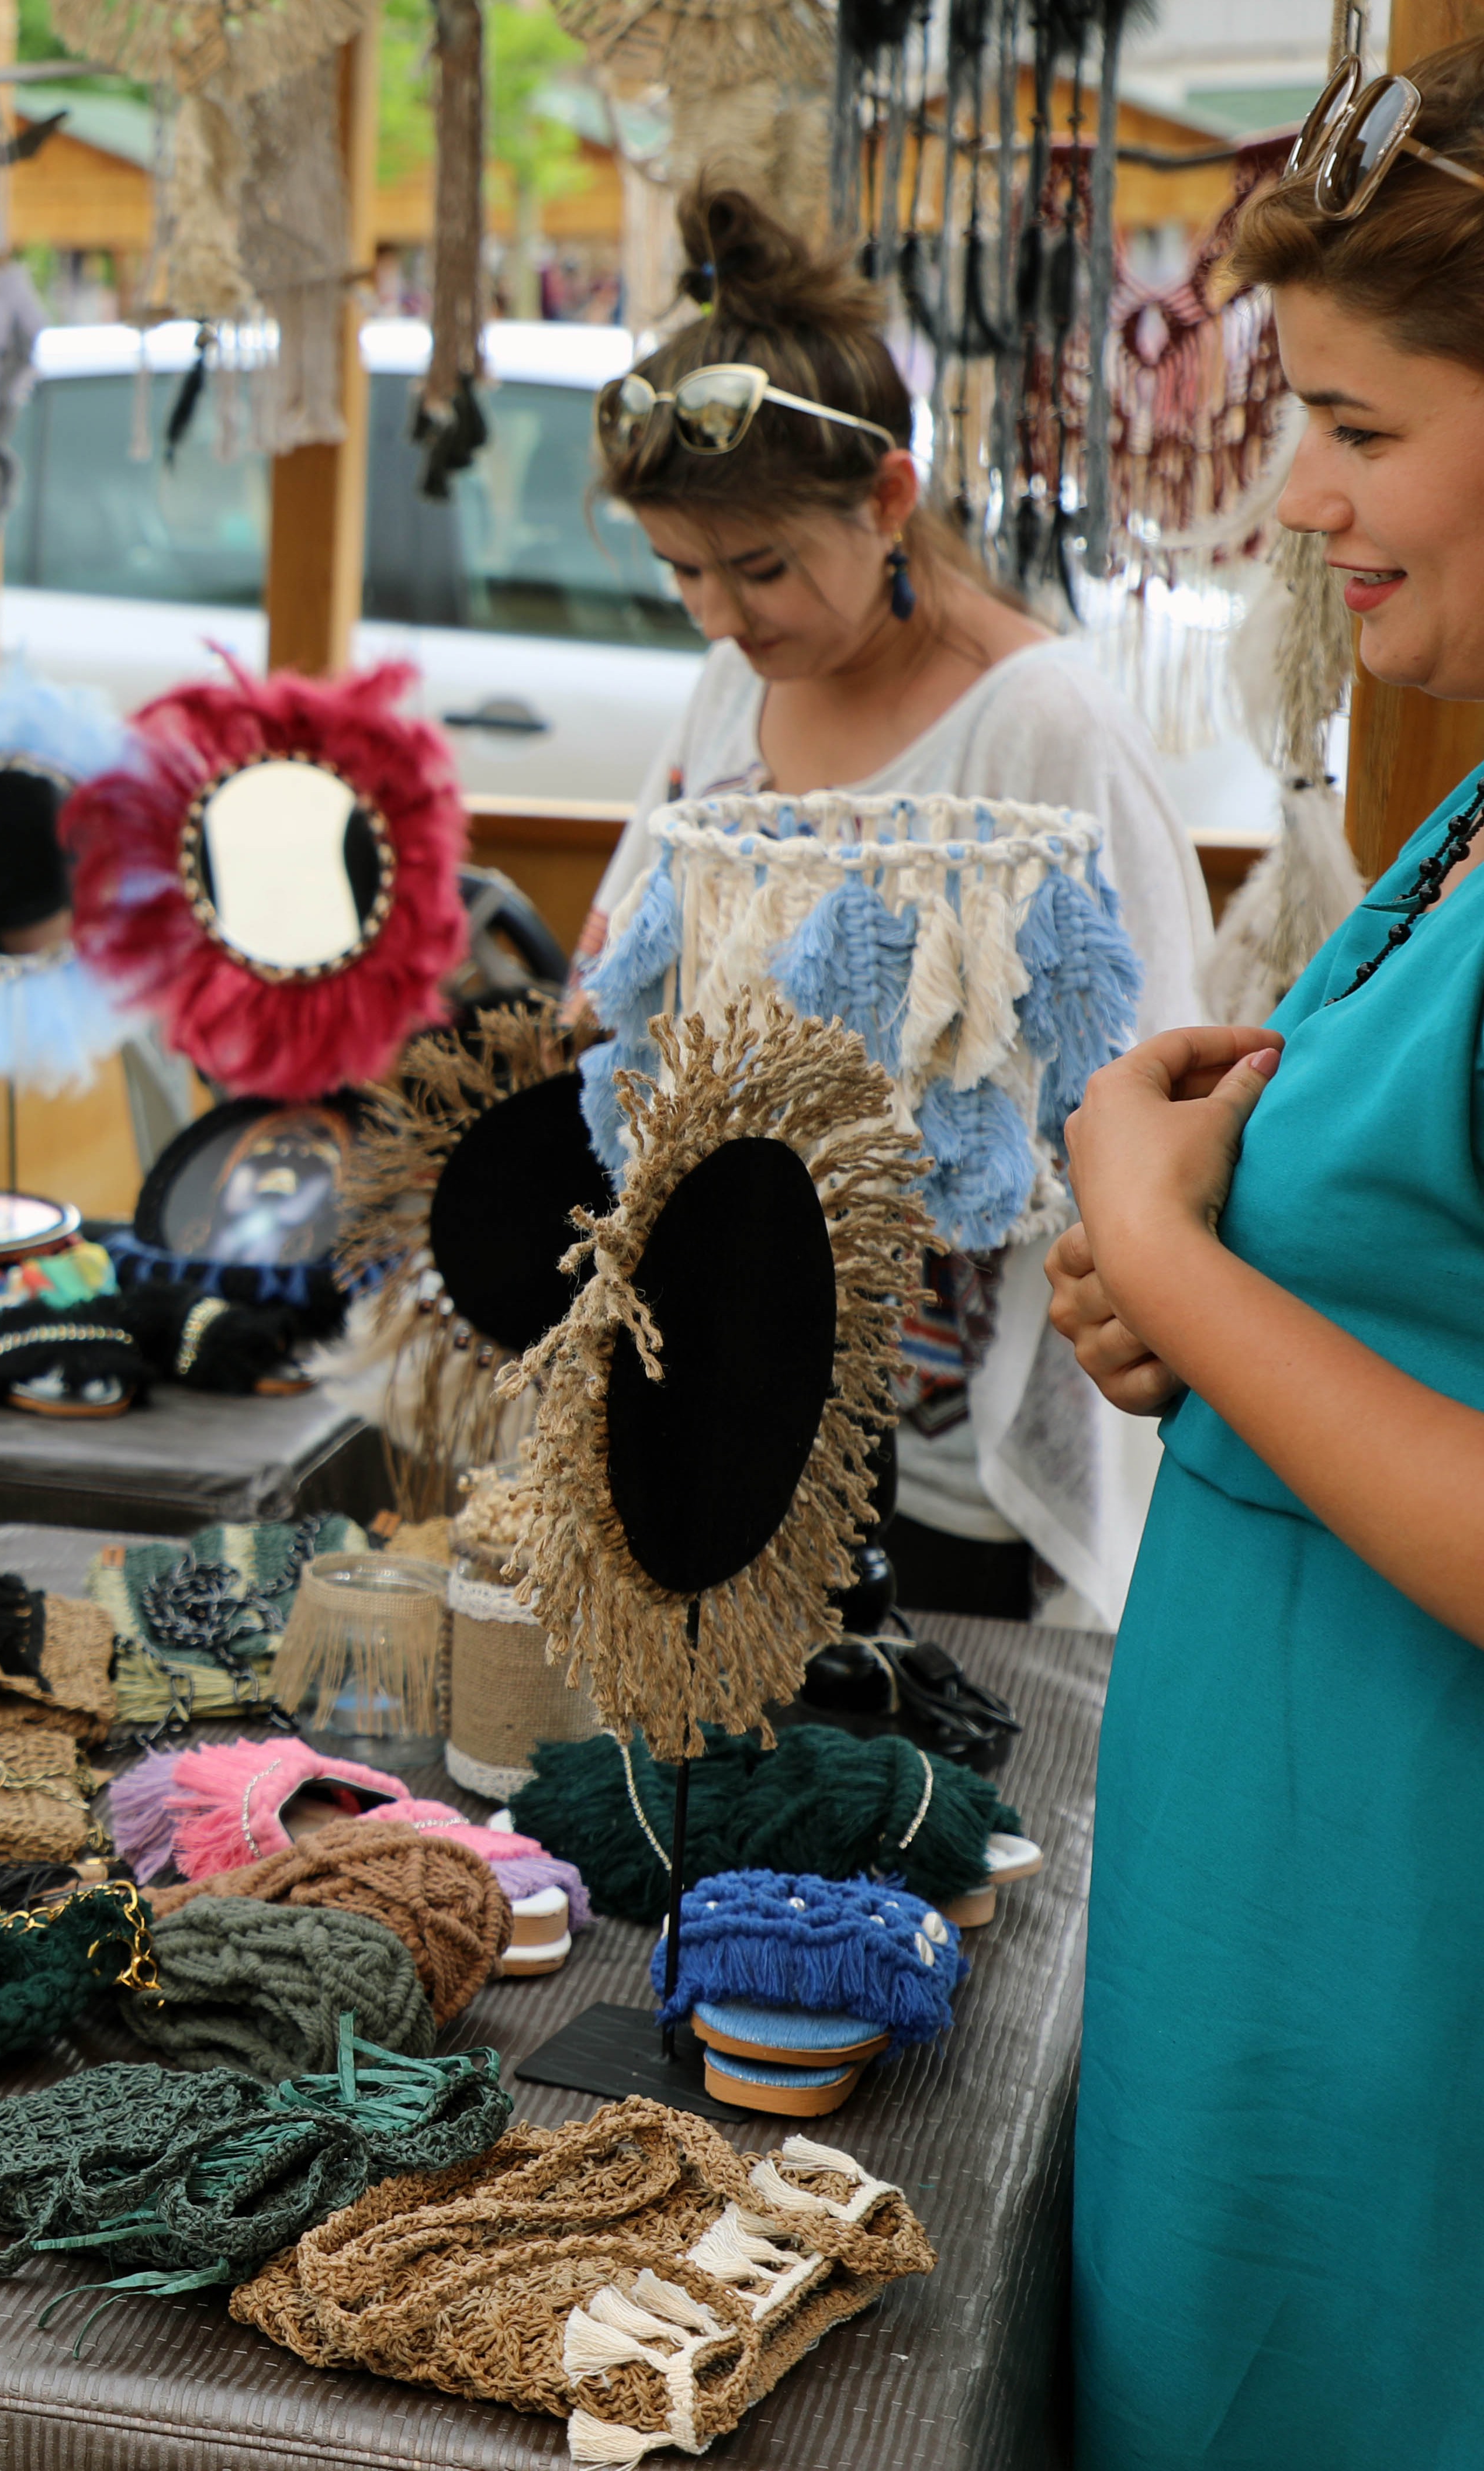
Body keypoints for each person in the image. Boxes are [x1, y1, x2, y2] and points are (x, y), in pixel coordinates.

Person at [1051, 42, 1484, 2462]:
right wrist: (1191, 1287)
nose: (1300, 495)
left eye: (1362, 425)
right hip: (1288, 1956)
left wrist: (1167, 1251)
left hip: (1419, 2014)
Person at [576, 188, 1213, 1631]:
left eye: (761, 567)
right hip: (741, 1351)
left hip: (949, 1429)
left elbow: (1144, 1059)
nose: (724, 616)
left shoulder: (1040, 728)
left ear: (887, 503)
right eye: (683, 571)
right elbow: (629, 944)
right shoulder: (741, 675)